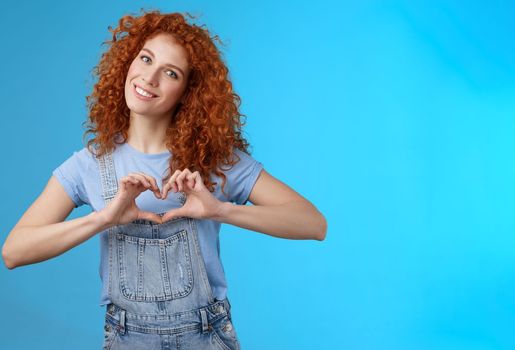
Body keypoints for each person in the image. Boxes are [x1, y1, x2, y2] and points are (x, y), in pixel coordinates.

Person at [1, 10, 327, 350]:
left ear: (188, 91)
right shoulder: (88, 166)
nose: (149, 78)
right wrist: (104, 218)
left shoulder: (215, 163)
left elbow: (313, 224)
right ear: (127, 63)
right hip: (127, 338)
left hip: (206, 336)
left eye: (170, 72)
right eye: (145, 59)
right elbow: (14, 251)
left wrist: (219, 210)